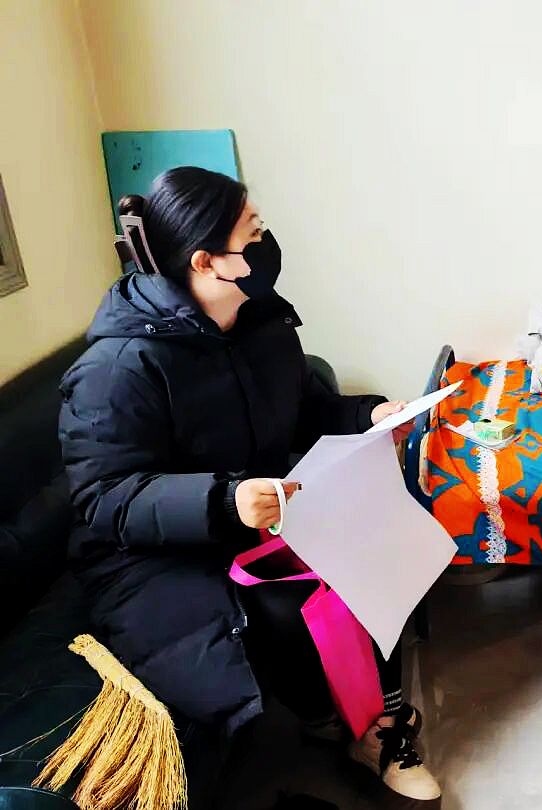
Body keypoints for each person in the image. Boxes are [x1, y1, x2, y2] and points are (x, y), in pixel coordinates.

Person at [59, 167, 441, 805]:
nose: (267, 244)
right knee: (295, 606)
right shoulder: (119, 368)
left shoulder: (260, 326)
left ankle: (379, 713)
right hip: (160, 550)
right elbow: (105, 499)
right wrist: (224, 500)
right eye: (253, 233)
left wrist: (369, 416)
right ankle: (350, 725)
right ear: (207, 261)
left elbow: (307, 408)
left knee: (378, 539)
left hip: (259, 509)